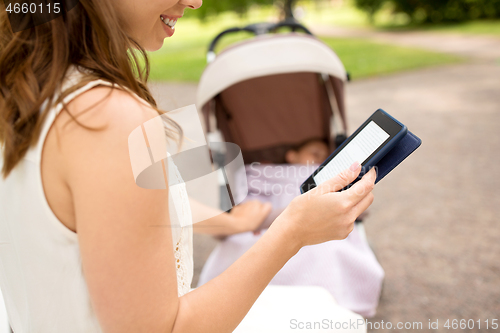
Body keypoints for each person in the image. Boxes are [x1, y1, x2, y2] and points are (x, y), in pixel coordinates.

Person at [0, 1, 376, 332]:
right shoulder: (108, 121)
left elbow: (113, 217)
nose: (195, 1)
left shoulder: (26, 89)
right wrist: (291, 232)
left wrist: (232, 223)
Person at [199, 139, 385, 317]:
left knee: (327, 248)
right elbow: (245, 203)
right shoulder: (262, 172)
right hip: (261, 224)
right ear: (292, 156)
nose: (321, 158)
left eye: (326, 156)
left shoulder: (330, 175)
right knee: (240, 247)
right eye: (314, 153)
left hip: (304, 222)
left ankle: (325, 310)